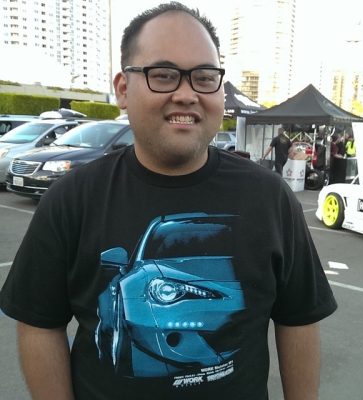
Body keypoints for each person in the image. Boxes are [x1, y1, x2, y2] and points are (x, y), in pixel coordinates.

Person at [0, 3, 337, 400]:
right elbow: (40, 324)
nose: (187, 94)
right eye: (163, 75)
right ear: (123, 89)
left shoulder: (270, 197)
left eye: (204, 77)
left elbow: (298, 319)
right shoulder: (71, 200)